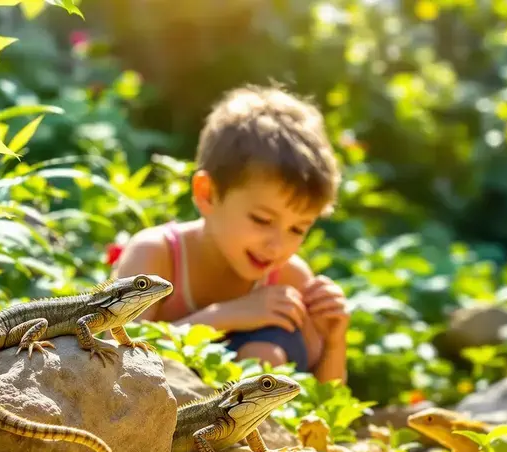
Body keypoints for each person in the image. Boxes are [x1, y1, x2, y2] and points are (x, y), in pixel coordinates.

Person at [113, 84, 349, 383]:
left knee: (265, 357)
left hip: (245, 413)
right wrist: (221, 317)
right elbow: (116, 359)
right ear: (207, 194)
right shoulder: (157, 255)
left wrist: (334, 342)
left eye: (298, 228)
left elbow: (325, 399)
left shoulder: (290, 279)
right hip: (155, 405)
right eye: (262, 220)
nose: (277, 245)